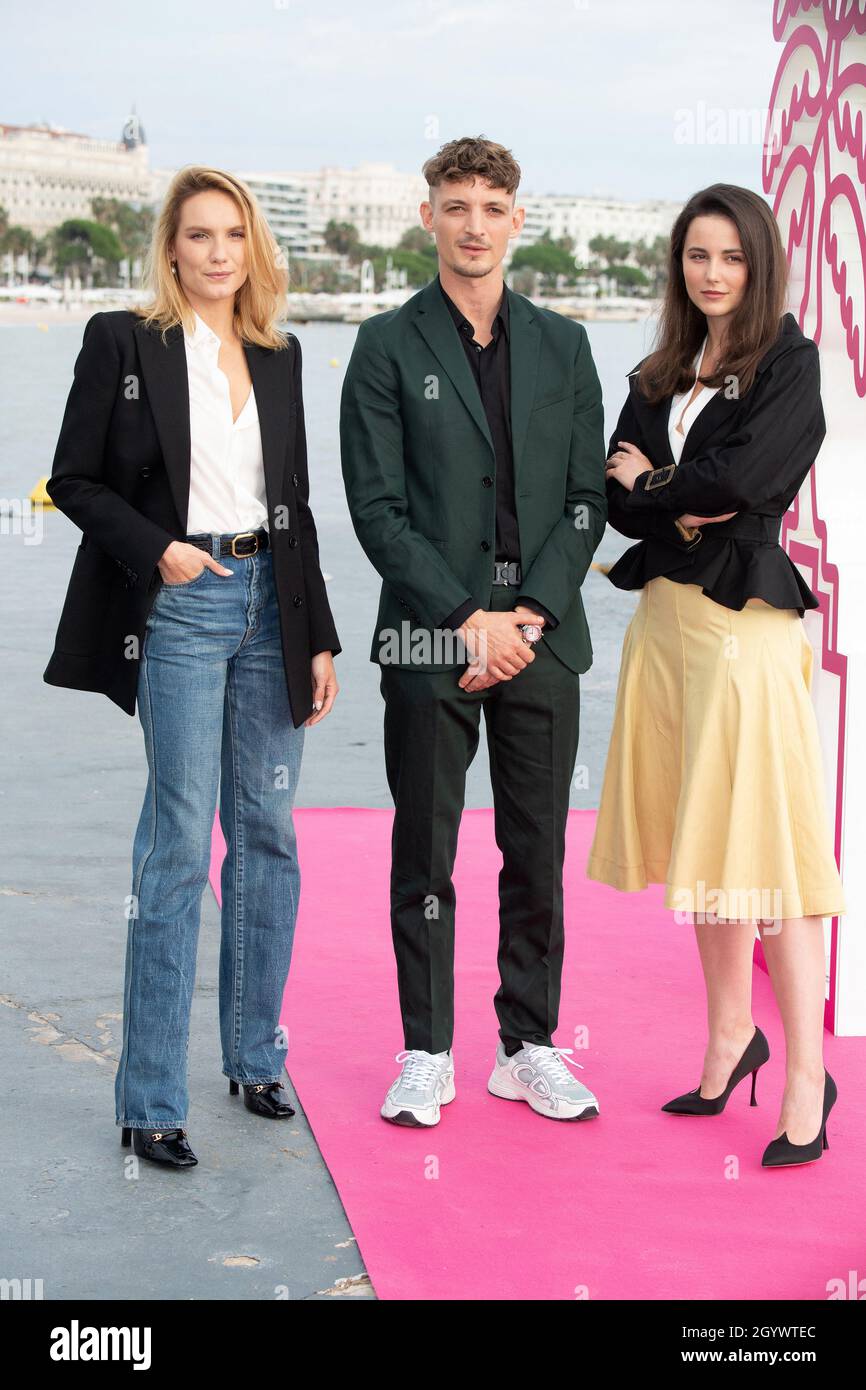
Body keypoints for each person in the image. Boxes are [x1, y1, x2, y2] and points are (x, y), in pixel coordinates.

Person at [43, 166, 341, 1168]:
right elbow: (73, 479)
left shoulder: (282, 353)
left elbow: (294, 504)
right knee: (175, 841)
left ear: (254, 250)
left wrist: (320, 633)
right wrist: (157, 547)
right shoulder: (123, 342)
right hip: (181, 604)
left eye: (233, 236)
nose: (218, 253)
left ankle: (256, 1055)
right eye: (199, 235)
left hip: (272, 610)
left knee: (267, 833)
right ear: (170, 248)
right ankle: (152, 1097)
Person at [340, 136, 607, 1127]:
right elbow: (376, 511)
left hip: (542, 635)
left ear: (515, 221)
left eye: (491, 207)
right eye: (454, 206)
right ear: (429, 219)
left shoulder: (565, 345)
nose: (473, 225)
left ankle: (528, 1045)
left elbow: (584, 500)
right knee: (426, 848)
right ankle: (425, 1049)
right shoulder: (381, 345)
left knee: (534, 849)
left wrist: (526, 612)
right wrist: (465, 618)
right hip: (427, 636)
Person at [586, 183, 846, 1168]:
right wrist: (666, 497)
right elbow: (612, 503)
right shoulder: (659, 367)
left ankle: (806, 1077)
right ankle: (728, 1039)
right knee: (705, 846)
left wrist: (656, 486)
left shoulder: (787, 358)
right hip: (664, 625)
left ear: (758, 261)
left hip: (745, 629)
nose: (710, 273)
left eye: (729, 256)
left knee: (764, 850)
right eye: (695, 255)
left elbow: (743, 481)